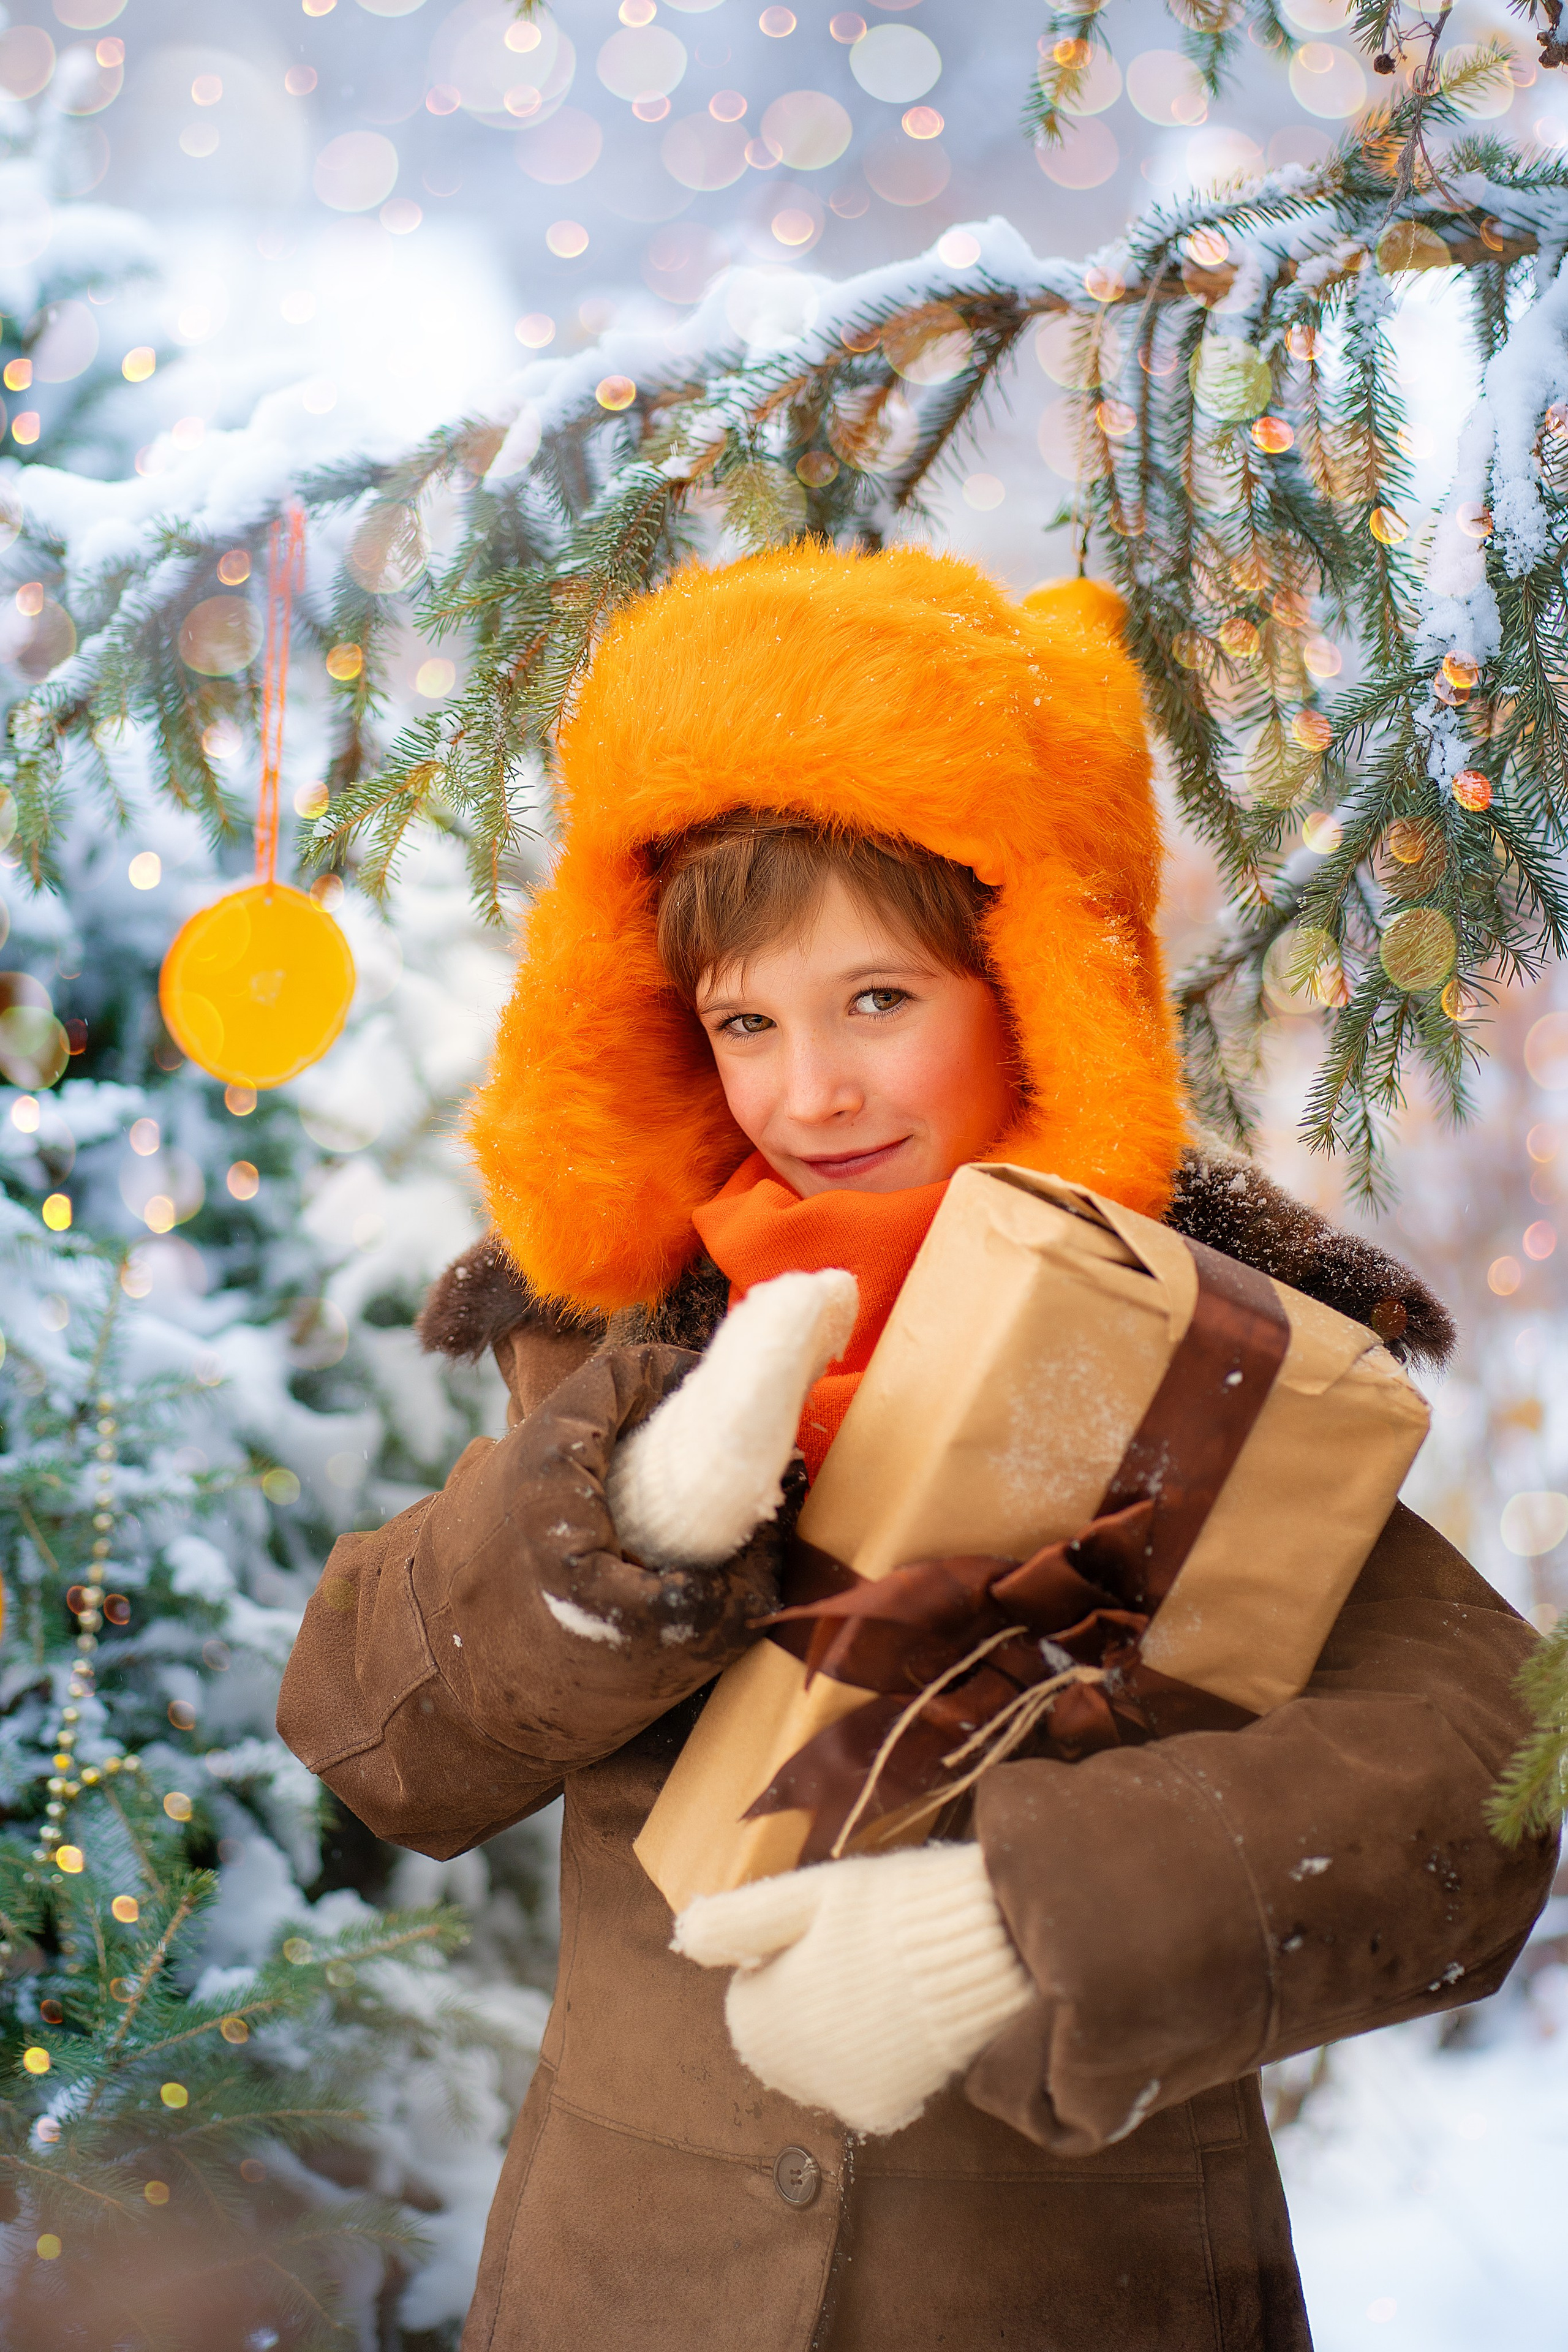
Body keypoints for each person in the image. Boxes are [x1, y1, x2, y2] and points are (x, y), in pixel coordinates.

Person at [277, 546, 1555, 2352]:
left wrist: (1028, 1926)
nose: (811, 1092)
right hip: (633, 2283)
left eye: (878, 1001)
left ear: (1025, 990)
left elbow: (1483, 1782)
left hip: (1066, 2293)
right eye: (747, 1022)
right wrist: (622, 1518)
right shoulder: (621, 1331)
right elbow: (381, 1743)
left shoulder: (1212, 1349)